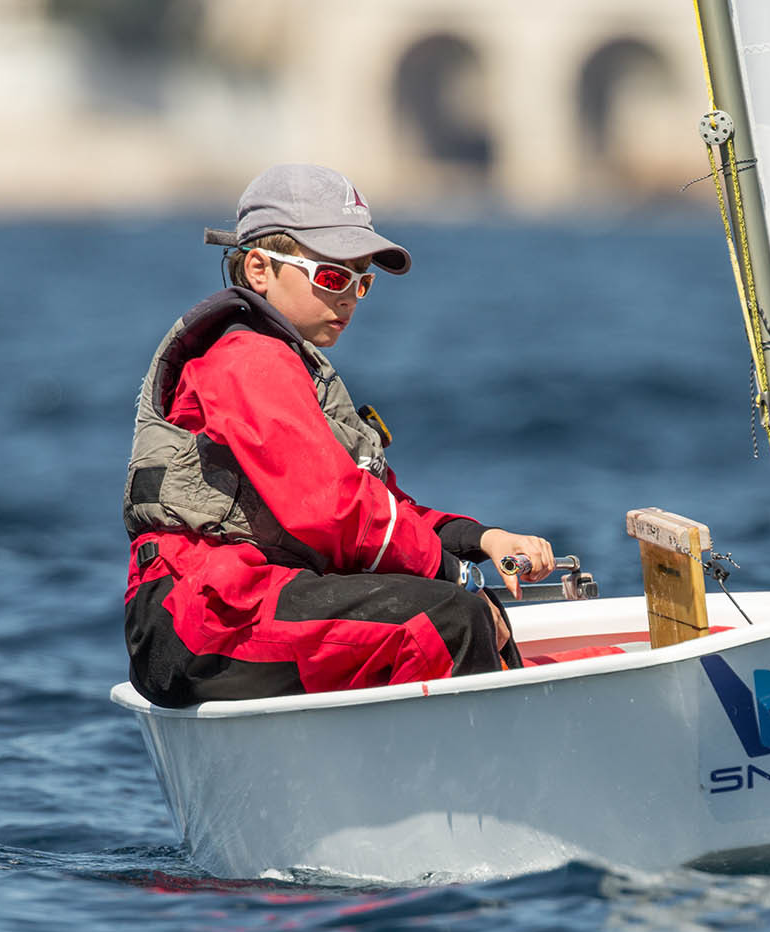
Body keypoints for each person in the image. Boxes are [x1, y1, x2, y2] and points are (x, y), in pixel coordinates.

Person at [122, 163, 556, 705]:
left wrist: (477, 540)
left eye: (362, 279)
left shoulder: (289, 367)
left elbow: (381, 510)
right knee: (451, 618)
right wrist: (456, 577)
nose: (349, 297)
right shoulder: (248, 360)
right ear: (259, 269)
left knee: (461, 606)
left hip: (242, 605)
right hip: (199, 622)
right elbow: (332, 511)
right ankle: (475, 781)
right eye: (332, 277)